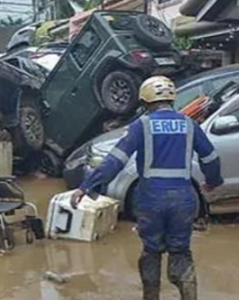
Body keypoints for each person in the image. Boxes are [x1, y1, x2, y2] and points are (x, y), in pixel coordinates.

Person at [71, 76, 223, 300]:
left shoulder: (141, 125)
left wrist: (87, 187)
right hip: (184, 199)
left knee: (151, 251)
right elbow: (211, 158)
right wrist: (213, 182)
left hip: (151, 199)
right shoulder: (189, 125)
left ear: (145, 102)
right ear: (172, 100)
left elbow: (115, 160)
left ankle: (151, 296)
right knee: (181, 250)